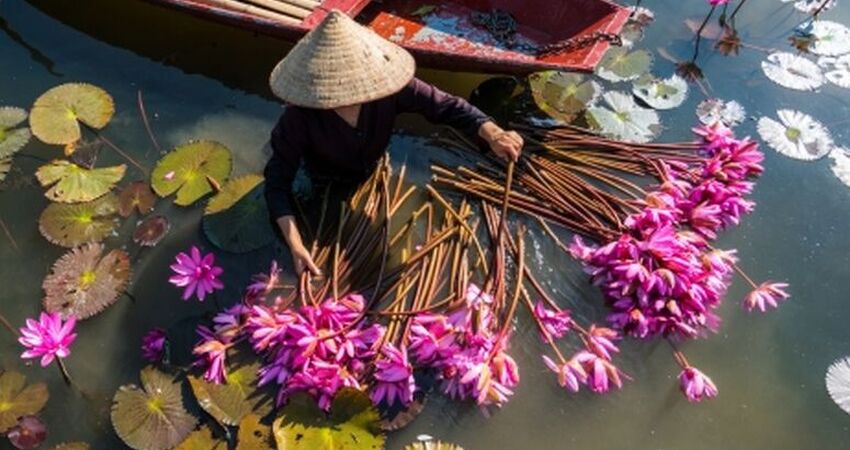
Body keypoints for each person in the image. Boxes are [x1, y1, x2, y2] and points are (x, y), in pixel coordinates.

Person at [264, 10, 523, 276]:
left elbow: (446, 106)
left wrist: (492, 132)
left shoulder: (388, 88)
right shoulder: (298, 118)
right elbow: (276, 184)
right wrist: (295, 244)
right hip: (323, 177)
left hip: (372, 165)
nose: (347, 96)